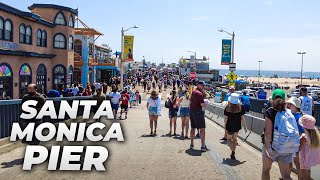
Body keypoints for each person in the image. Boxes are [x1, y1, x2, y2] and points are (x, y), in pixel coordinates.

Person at [262, 89, 300, 180]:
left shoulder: (270, 112)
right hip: (286, 147)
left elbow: (268, 132)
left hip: (273, 147)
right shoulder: (289, 112)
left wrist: (267, 147)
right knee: (286, 176)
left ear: (272, 100)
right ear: (284, 100)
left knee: (266, 171)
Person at [224, 93, 247, 160]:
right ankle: (233, 152)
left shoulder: (227, 108)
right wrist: (245, 126)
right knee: (234, 140)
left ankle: (232, 150)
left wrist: (225, 126)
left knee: (228, 140)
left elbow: (226, 119)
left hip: (230, 126)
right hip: (237, 126)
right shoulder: (240, 108)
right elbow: (242, 118)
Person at [286, 96, 305, 177]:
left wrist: (299, 144)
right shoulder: (292, 114)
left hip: (295, 143)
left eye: (291, 104)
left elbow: (302, 132)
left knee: (297, 163)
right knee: (289, 162)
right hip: (291, 142)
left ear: (295, 105)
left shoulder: (299, 117)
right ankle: (287, 176)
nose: (289, 105)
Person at [299, 115, 320, 180]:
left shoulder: (304, 137)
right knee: (306, 175)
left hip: (304, 159)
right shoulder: (316, 135)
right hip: (310, 159)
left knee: (305, 176)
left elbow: (299, 148)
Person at [189, 81, 208, 152]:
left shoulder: (193, 92)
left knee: (193, 128)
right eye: (203, 86)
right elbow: (202, 105)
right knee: (202, 129)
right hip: (198, 112)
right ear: (199, 85)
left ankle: (191, 144)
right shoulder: (200, 94)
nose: (204, 87)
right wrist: (206, 104)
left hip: (192, 111)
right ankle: (203, 145)